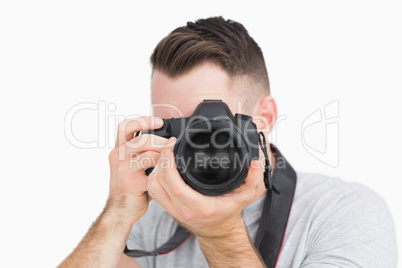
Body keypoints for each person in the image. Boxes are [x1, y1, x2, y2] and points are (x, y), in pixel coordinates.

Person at [60, 17, 397, 268]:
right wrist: (117, 213)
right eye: (171, 124)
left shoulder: (344, 212)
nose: (188, 142)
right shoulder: (156, 213)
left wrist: (219, 234)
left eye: (206, 126)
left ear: (263, 119)